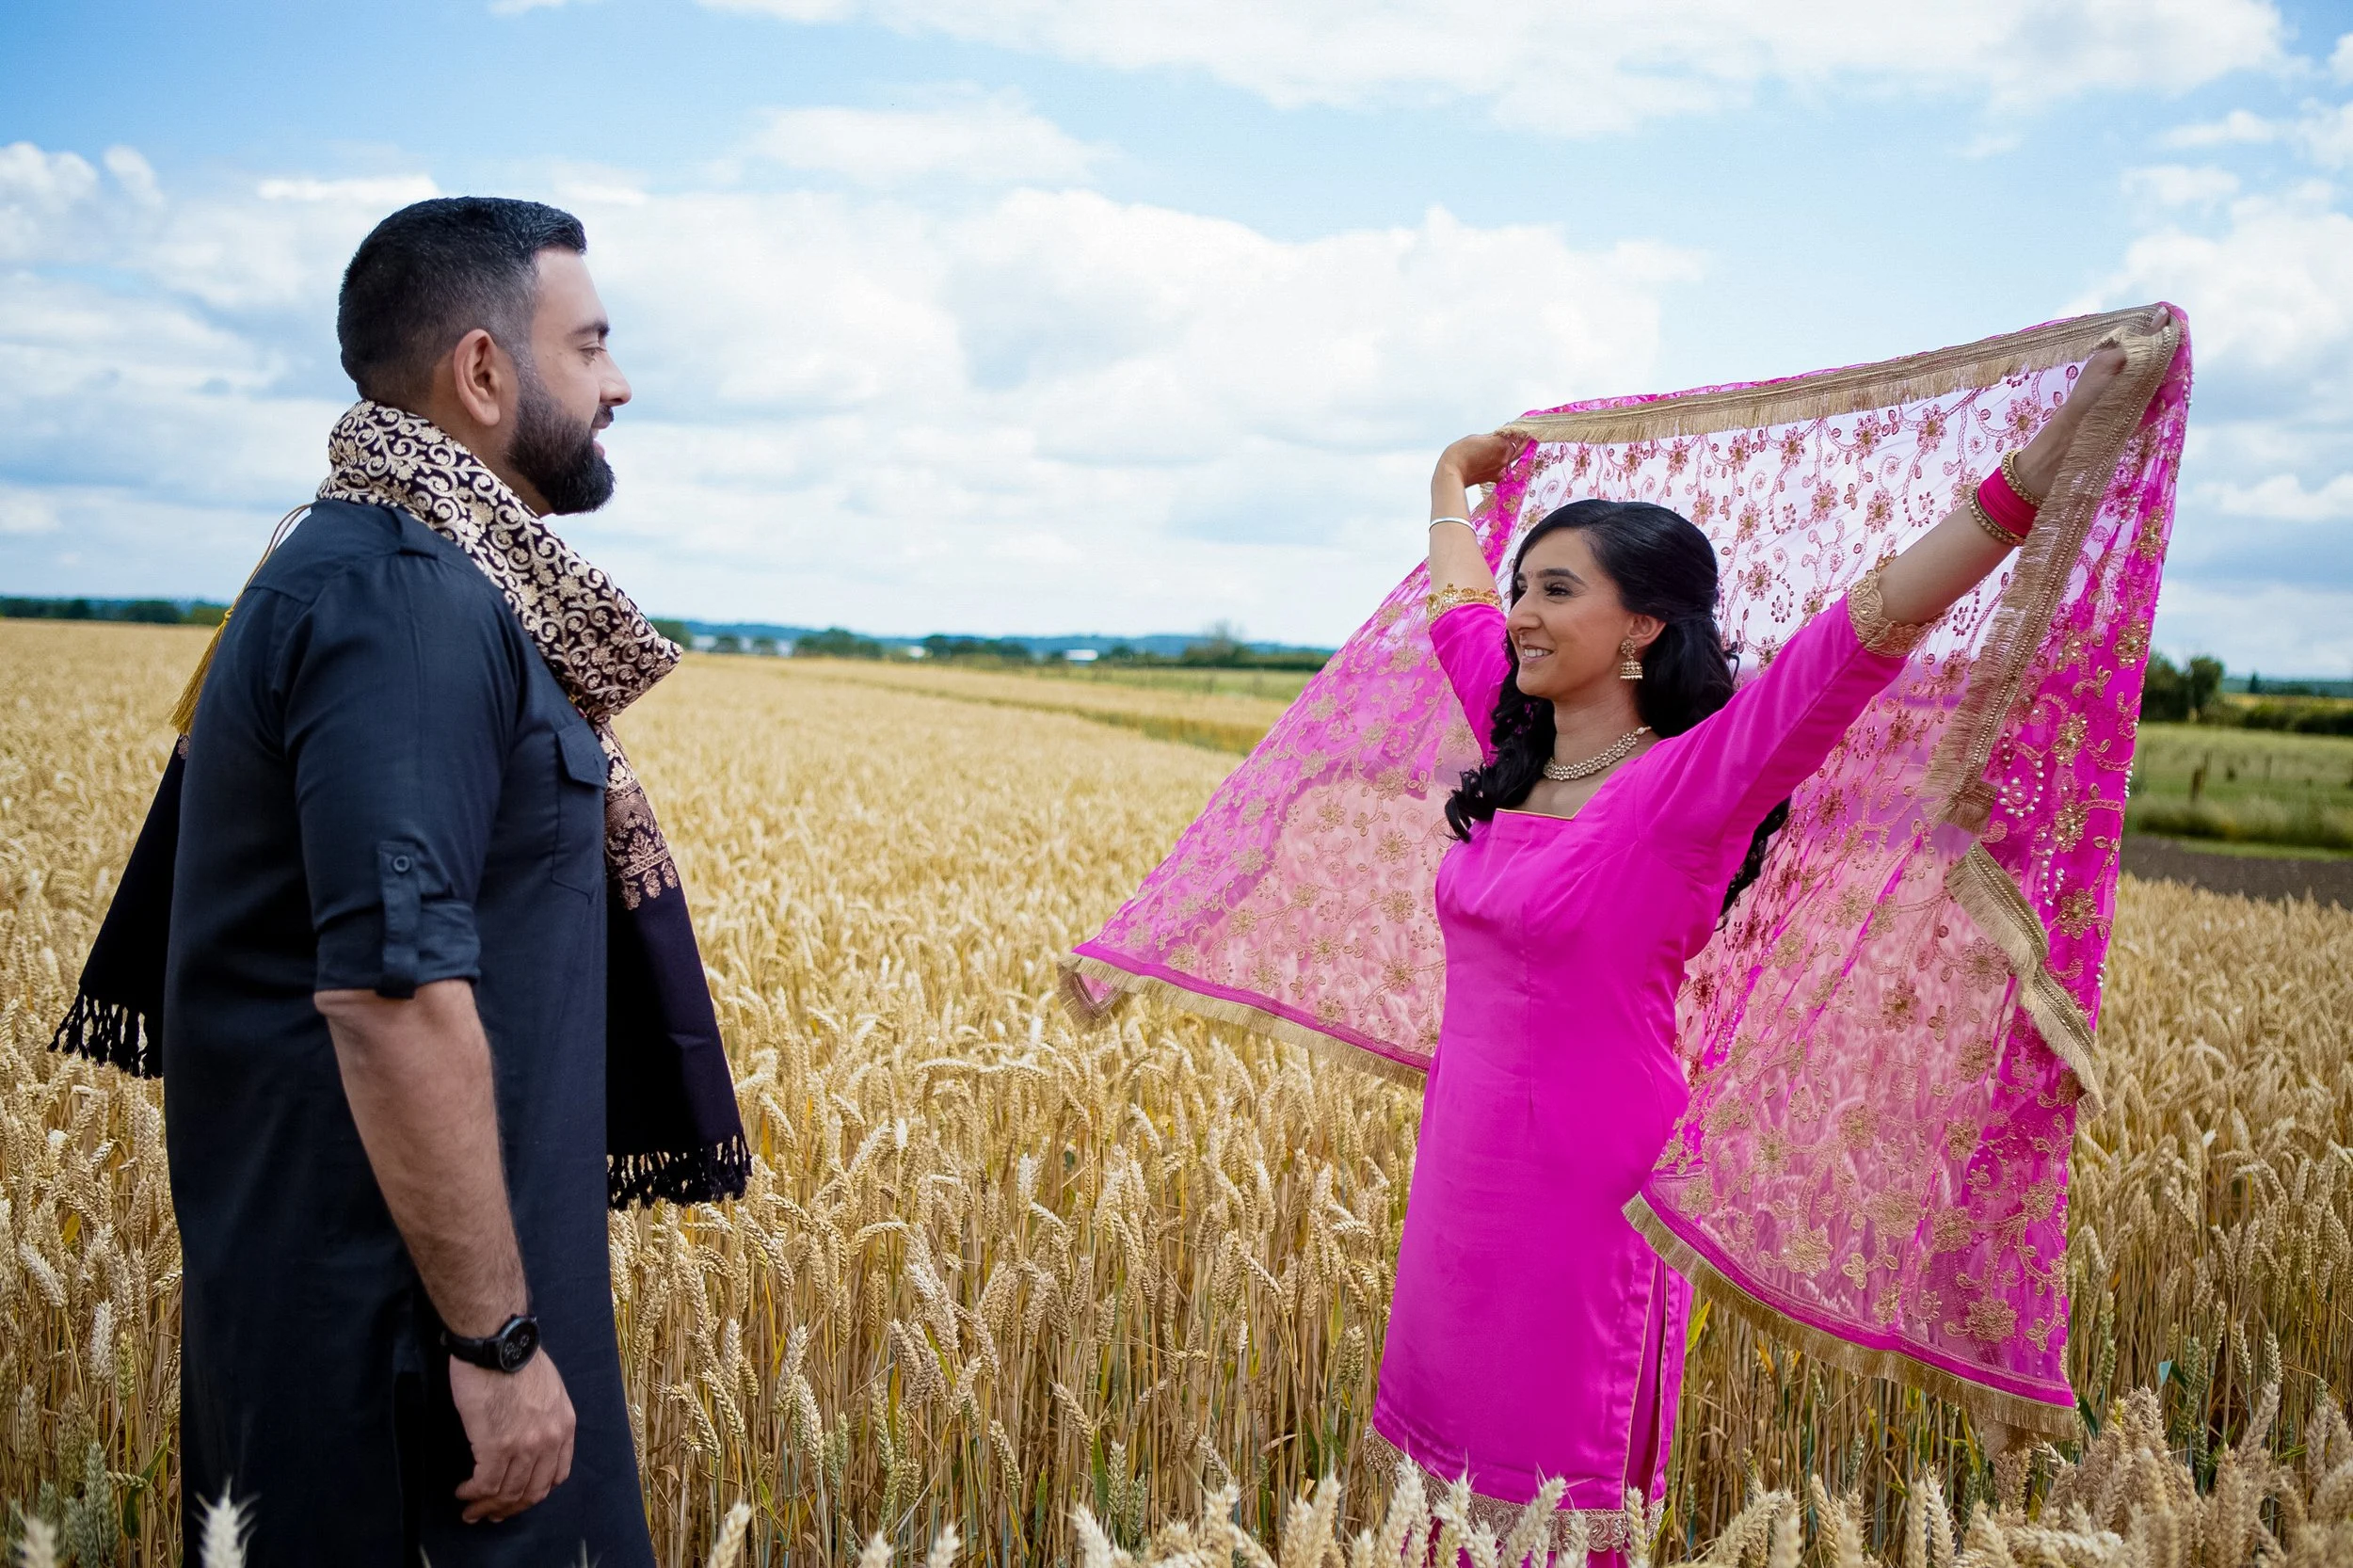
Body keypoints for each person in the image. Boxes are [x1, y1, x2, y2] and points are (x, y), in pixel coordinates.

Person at [1363, 344, 2137, 1560]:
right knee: (1439, 1487)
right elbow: (1455, 604)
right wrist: (1448, 480)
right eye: (1525, 586)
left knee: (1549, 1492)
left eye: (1558, 589)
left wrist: (2042, 463)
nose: (1521, 612)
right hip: (1460, 1167)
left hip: (1588, 1176)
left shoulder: (1692, 784)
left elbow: (1873, 623)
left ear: (1641, 626)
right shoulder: (1522, 742)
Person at [117, 197, 742, 1565]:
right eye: (590, 345)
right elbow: (392, 996)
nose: (619, 382)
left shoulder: (398, 575)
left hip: (389, 1353)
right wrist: (497, 1342)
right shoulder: (406, 602)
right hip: (402, 1394)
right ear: (481, 371)